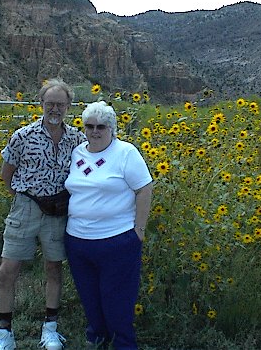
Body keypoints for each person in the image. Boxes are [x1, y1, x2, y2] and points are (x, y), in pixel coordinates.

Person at [0, 78, 85, 350]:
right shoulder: (23, 136)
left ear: (68, 106)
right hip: (27, 206)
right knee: (8, 269)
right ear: (41, 104)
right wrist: (26, 197)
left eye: (60, 104)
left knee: (54, 267)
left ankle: (50, 328)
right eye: (50, 103)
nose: (55, 109)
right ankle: (4, 333)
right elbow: (6, 175)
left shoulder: (77, 139)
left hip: (58, 210)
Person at [64, 101, 154, 350]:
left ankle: (124, 344)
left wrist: (139, 230)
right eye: (89, 126)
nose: (94, 131)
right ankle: (98, 337)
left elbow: (144, 188)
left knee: (117, 301)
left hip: (117, 242)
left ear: (112, 128)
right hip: (78, 241)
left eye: (101, 126)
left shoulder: (125, 153)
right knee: (89, 297)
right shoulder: (77, 153)